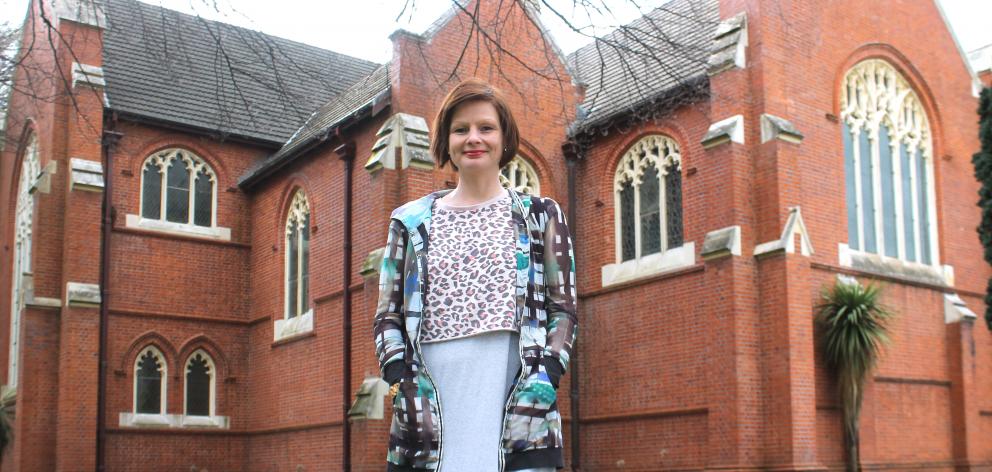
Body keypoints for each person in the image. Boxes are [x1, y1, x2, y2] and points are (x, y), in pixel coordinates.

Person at [373, 78, 577, 472]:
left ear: (504, 137)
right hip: (429, 400)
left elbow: (564, 310)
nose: (473, 138)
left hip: (517, 396)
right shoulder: (409, 222)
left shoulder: (542, 216)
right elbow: (387, 314)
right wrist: (398, 375)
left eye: (485, 127)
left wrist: (546, 377)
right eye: (461, 129)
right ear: (446, 141)